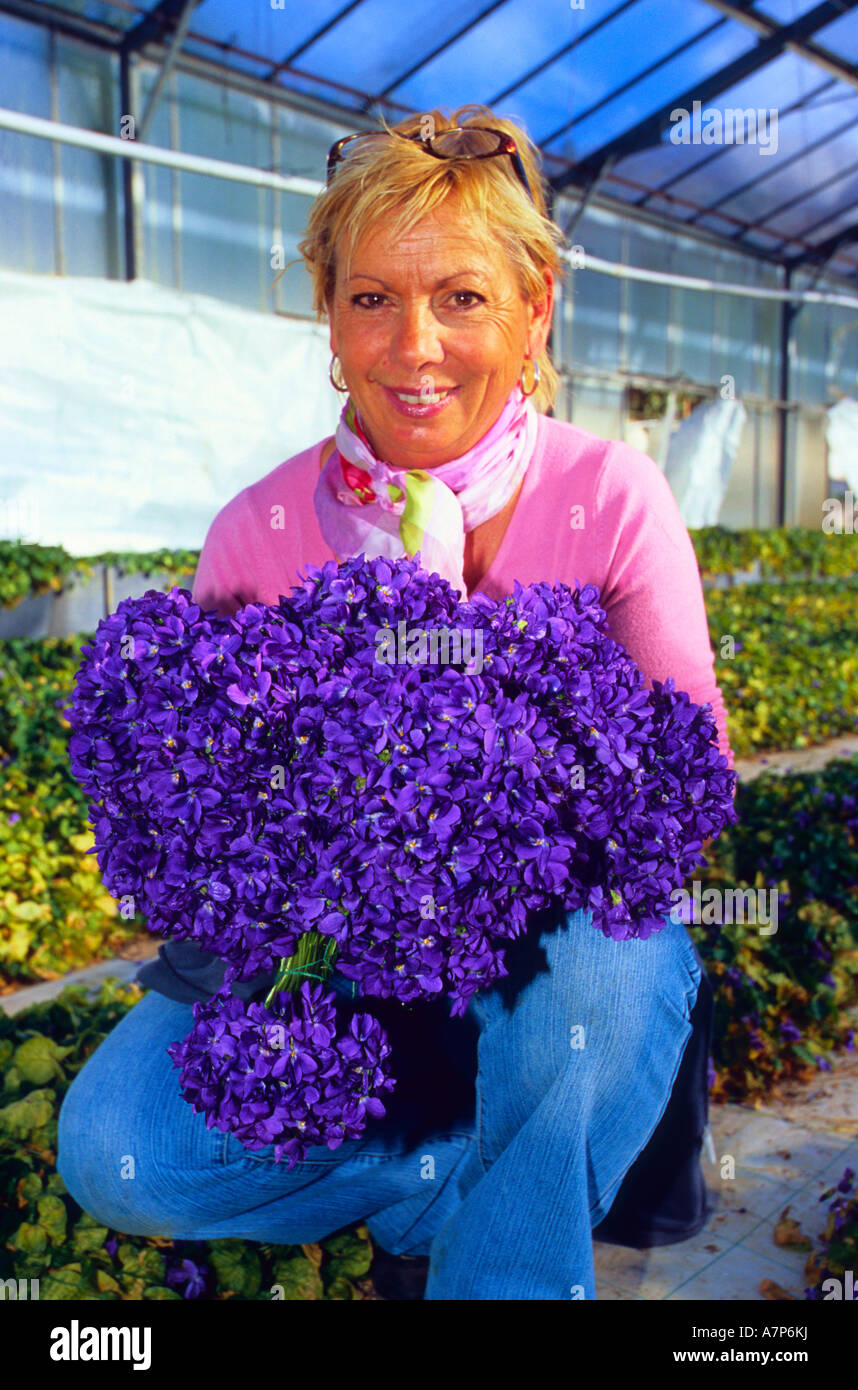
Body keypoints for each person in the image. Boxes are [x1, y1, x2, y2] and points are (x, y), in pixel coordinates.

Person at [57, 103, 735, 1301]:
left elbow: (686, 785)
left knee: (609, 977)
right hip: (325, 961)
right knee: (118, 1148)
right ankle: (454, 1188)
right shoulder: (259, 530)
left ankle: (506, 1271)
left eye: (463, 298)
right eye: (373, 297)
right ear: (327, 311)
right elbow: (192, 814)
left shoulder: (611, 498)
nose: (415, 345)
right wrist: (315, 870)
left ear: (534, 312)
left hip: (535, 964)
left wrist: (490, 819)